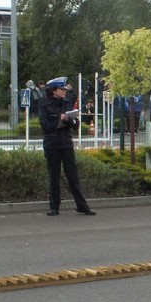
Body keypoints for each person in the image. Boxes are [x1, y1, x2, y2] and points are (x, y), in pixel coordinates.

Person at [38, 76, 96, 217]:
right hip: (52, 144)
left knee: (73, 176)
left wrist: (69, 119)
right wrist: (59, 120)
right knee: (54, 176)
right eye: (61, 89)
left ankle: (82, 206)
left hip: (66, 143)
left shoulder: (66, 103)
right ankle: (54, 207)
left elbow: (76, 126)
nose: (64, 91)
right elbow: (45, 126)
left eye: (64, 89)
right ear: (53, 91)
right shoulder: (45, 105)